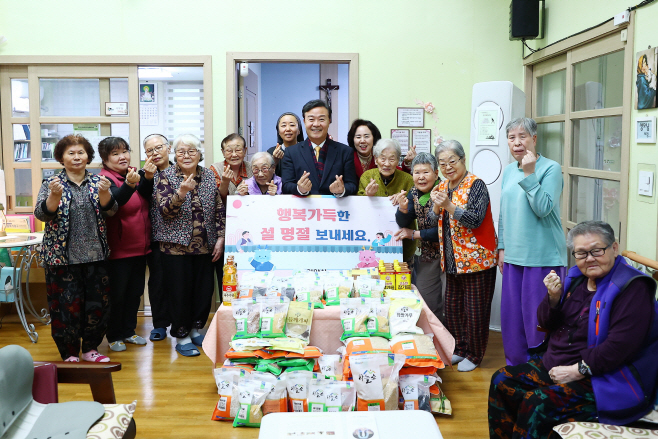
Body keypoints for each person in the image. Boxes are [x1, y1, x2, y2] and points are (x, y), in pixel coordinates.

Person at [489, 221, 658, 438]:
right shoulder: (576, 278)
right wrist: (553, 298)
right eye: (581, 253)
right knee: (502, 380)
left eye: (596, 250)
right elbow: (546, 324)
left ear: (614, 248)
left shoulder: (632, 287)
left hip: (604, 377)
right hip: (556, 363)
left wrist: (576, 370)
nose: (589, 258)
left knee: (537, 402)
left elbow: (619, 347)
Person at [34, 134, 117, 363]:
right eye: (71, 153)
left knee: (97, 306)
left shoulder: (98, 181)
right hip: (61, 258)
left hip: (95, 256)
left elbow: (111, 211)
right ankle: (69, 352)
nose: (77, 157)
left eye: (81, 152)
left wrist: (104, 193)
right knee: (65, 308)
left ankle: (91, 349)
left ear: (88, 156)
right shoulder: (51, 183)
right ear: (61, 157)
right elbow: (42, 214)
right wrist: (54, 196)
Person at [498, 117, 567, 366]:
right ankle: (516, 369)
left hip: (542, 256)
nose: (517, 142)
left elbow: (543, 208)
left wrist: (529, 174)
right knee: (513, 318)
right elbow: (503, 213)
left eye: (522, 136)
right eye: (511, 137)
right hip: (514, 256)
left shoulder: (551, 168)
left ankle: (542, 368)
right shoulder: (507, 170)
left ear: (534, 139)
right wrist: (501, 247)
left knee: (538, 320)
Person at [429, 140, 497, 372]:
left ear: (462, 159)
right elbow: (431, 218)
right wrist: (437, 208)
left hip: (477, 259)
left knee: (475, 310)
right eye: (442, 163)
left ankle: (475, 355)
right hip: (451, 259)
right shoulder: (441, 187)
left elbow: (475, 219)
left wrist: (448, 206)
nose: (448, 167)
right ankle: (459, 349)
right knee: (454, 308)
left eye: (452, 161)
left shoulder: (476, 184)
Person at [156, 134, 225, 357]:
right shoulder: (165, 177)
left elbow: (218, 209)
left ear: (199, 154)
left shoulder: (207, 175)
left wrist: (221, 237)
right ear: (175, 155)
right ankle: (182, 335)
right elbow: (165, 211)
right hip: (176, 247)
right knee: (179, 293)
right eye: (181, 152)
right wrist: (182, 192)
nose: (186, 156)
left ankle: (196, 329)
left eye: (191, 151)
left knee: (203, 291)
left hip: (205, 245)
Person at [98, 137, 157, 352]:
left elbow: (146, 195)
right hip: (118, 250)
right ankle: (114, 335)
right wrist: (132, 183)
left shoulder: (132, 173)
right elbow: (115, 202)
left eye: (125, 151)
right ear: (105, 159)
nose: (122, 156)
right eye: (115, 153)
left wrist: (147, 177)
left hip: (140, 247)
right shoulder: (104, 180)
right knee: (117, 295)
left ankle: (129, 331)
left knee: (134, 293)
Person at [393, 152, 444, 321]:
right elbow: (404, 221)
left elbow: (444, 230)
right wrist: (402, 209)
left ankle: (448, 343)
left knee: (445, 303)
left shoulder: (444, 191)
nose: (421, 177)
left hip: (448, 256)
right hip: (426, 256)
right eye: (416, 172)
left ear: (436, 173)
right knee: (426, 302)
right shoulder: (414, 192)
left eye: (426, 172)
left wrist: (414, 234)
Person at [281, 99, 358, 196]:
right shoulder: (291, 152)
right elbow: (286, 185)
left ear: (329, 121)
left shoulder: (345, 151)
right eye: (311, 119)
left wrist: (342, 190)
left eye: (321, 119)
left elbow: (352, 185)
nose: (316, 124)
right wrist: (299, 189)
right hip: (305, 209)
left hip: (333, 209)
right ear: (304, 122)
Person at [358, 138, 416, 263]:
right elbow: (359, 209)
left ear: (398, 160)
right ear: (376, 159)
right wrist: (369, 196)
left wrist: (403, 201)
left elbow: (414, 210)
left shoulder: (408, 179)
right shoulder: (367, 177)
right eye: (383, 158)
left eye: (392, 159)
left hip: (403, 244)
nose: (387, 164)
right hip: (371, 241)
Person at [143, 133, 173, 342]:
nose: (155, 153)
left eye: (158, 148)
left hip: (181, 237)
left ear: (168, 148)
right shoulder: (143, 174)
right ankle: (160, 324)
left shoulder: (181, 170)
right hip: (154, 236)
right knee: (158, 282)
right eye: (149, 150)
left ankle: (183, 324)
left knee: (180, 282)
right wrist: (147, 177)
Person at [210, 133, 253, 201]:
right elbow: (216, 199)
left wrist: (248, 192)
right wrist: (225, 182)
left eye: (238, 150)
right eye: (229, 151)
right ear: (223, 152)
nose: (234, 155)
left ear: (245, 151)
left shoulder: (252, 168)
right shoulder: (215, 169)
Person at [267, 112, 304, 177]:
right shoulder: (271, 152)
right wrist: (274, 161)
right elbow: (265, 177)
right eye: (283, 125)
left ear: (299, 130)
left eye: (292, 125)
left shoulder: (306, 151)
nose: (288, 129)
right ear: (278, 131)